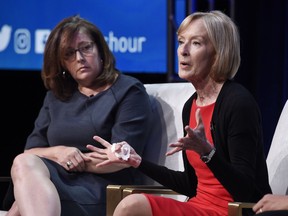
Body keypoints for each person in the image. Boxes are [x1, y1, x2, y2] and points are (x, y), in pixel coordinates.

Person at [86, 10, 272, 216]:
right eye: (181, 41)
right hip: (197, 207)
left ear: (218, 52)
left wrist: (208, 154)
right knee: (131, 205)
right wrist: (137, 161)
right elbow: (191, 184)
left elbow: (245, 189)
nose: (183, 51)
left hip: (232, 211)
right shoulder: (191, 106)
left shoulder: (237, 103)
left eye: (196, 43)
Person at [3, 15, 153, 216]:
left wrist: (75, 161)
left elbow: (123, 158)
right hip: (57, 182)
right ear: (62, 64)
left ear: (100, 50)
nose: (80, 58)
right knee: (24, 166)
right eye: (69, 54)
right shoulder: (57, 97)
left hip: (105, 189)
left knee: (24, 203)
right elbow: (30, 152)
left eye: (86, 48)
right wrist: (60, 152)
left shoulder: (129, 91)